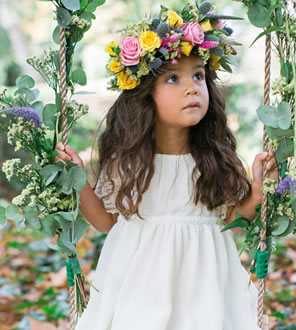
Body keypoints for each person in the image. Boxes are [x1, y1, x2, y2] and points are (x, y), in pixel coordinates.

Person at [55, 3, 278, 329]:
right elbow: (106, 222)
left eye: (198, 76)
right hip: (141, 288)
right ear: (145, 95)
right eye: (173, 78)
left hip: (206, 288)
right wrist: (77, 180)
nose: (192, 87)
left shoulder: (212, 158)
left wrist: (257, 191)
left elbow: (230, 219)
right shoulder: (129, 163)